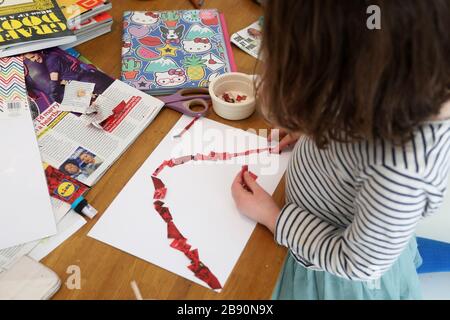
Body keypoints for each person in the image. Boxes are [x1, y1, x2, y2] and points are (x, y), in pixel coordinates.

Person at [231, 0, 450, 300]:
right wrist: (313, 122)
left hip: (332, 278)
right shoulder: (385, 81)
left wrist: (275, 218)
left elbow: (356, 262)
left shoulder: (403, 172)